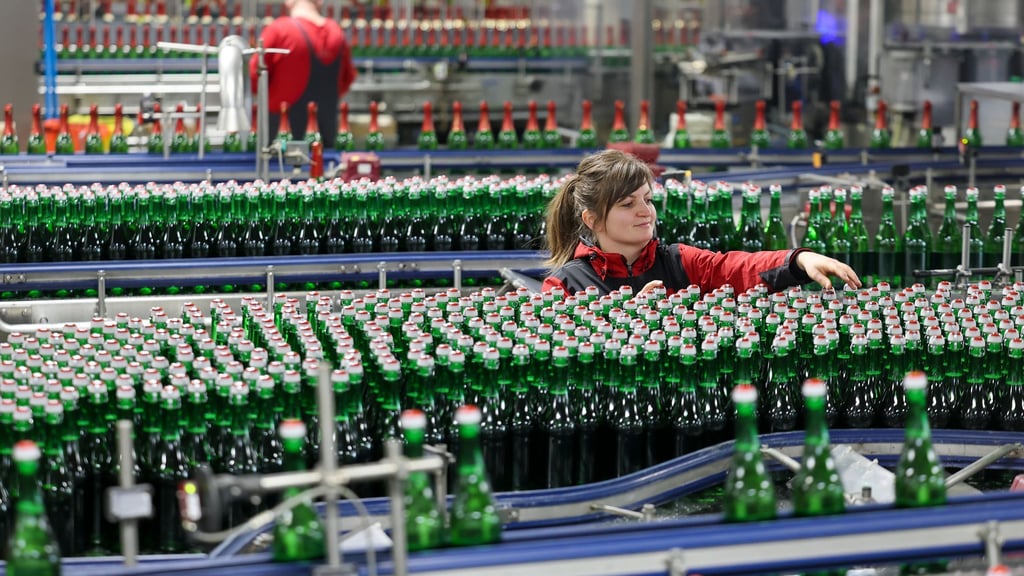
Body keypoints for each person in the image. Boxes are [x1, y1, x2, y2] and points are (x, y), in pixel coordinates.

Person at [542, 149, 861, 296]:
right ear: (592, 219)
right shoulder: (566, 286)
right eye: (628, 204)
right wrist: (627, 320)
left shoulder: (679, 262)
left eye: (648, 200)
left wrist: (798, 260)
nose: (645, 211)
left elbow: (736, 269)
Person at [249, 0, 357, 147]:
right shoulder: (336, 32)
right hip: (324, 141)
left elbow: (253, 79)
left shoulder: (280, 29)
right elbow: (347, 80)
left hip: (280, 144)